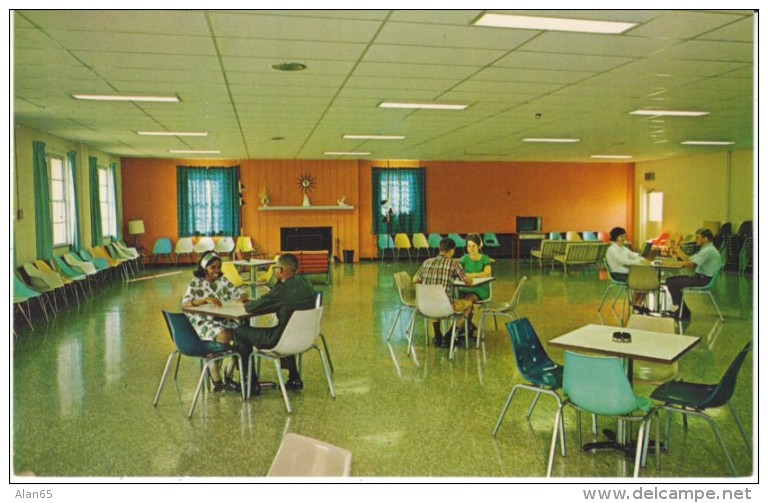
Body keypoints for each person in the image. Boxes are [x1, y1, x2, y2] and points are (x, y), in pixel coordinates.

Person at [233, 253, 315, 395]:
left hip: (282, 339)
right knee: (288, 326)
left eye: (276, 268)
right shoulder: (306, 282)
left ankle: (250, 384)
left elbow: (251, 308)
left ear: (281, 271)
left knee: (240, 331)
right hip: (304, 336)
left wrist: (247, 300)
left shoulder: (281, 290)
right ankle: (294, 378)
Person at [182, 251, 247, 393]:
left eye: (219, 267)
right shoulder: (196, 283)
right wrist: (204, 300)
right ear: (205, 268)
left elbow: (240, 292)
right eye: (213, 268)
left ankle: (229, 374)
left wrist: (242, 297)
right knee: (224, 335)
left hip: (223, 318)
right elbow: (185, 304)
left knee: (242, 334)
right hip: (203, 322)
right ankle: (215, 373)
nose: (217, 271)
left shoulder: (222, 281)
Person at [412, 237, 474, 348]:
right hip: (445, 307)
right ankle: (450, 335)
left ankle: (438, 335)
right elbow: (468, 282)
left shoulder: (427, 262)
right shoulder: (453, 264)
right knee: (469, 305)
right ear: (451, 251)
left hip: (427, 306)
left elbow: (415, 279)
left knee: (434, 299)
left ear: (439, 249)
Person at [664, 228, 721, 320]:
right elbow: (690, 260)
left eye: (698, 238)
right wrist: (678, 251)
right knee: (671, 281)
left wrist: (674, 264)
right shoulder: (706, 249)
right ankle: (683, 311)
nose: (696, 240)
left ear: (705, 239)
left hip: (703, 280)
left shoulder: (708, 251)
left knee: (671, 282)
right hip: (701, 278)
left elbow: (691, 265)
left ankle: (682, 312)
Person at [605, 227, 650, 313]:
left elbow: (633, 255)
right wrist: (640, 261)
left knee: (646, 280)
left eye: (624, 236)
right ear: (615, 237)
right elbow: (623, 261)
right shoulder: (612, 250)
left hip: (626, 273)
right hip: (617, 274)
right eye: (621, 236)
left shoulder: (623, 248)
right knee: (643, 280)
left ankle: (636, 303)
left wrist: (643, 259)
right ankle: (636, 304)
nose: (623, 238)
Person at [457, 233, 492, 334]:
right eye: (468, 246)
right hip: (465, 288)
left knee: (468, 299)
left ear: (478, 246)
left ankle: (456, 328)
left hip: (480, 289)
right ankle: (467, 326)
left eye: (473, 246)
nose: (471, 249)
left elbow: (487, 273)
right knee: (457, 298)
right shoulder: (465, 258)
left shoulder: (485, 258)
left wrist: (472, 275)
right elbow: (457, 270)